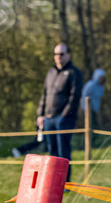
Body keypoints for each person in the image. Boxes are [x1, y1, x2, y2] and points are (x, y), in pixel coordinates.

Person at [35, 43, 83, 173]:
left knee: (63, 152)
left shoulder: (74, 73)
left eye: (61, 54)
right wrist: (40, 114)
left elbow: (74, 97)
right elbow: (44, 94)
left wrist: (63, 116)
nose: (58, 57)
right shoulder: (50, 72)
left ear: (68, 55)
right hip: (48, 119)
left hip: (64, 119)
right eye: (56, 54)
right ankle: (53, 182)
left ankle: (65, 183)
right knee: (52, 152)